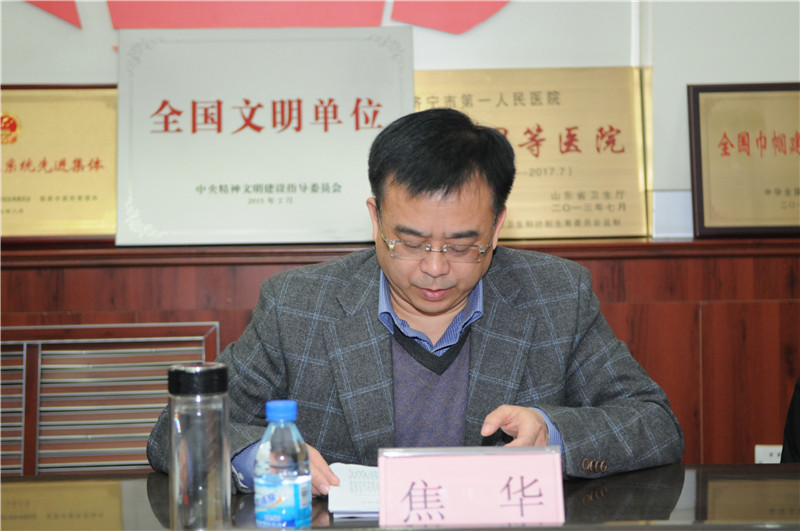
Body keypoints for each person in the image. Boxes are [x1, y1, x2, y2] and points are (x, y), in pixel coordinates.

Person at [147, 108, 684, 495]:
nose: (434, 267)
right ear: (375, 218)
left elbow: (654, 423)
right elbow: (175, 433)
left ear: (497, 226)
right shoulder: (299, 307)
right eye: (409, 242)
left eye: (462, 245)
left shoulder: (555, 296)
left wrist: (555, 434)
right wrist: (259, 456)